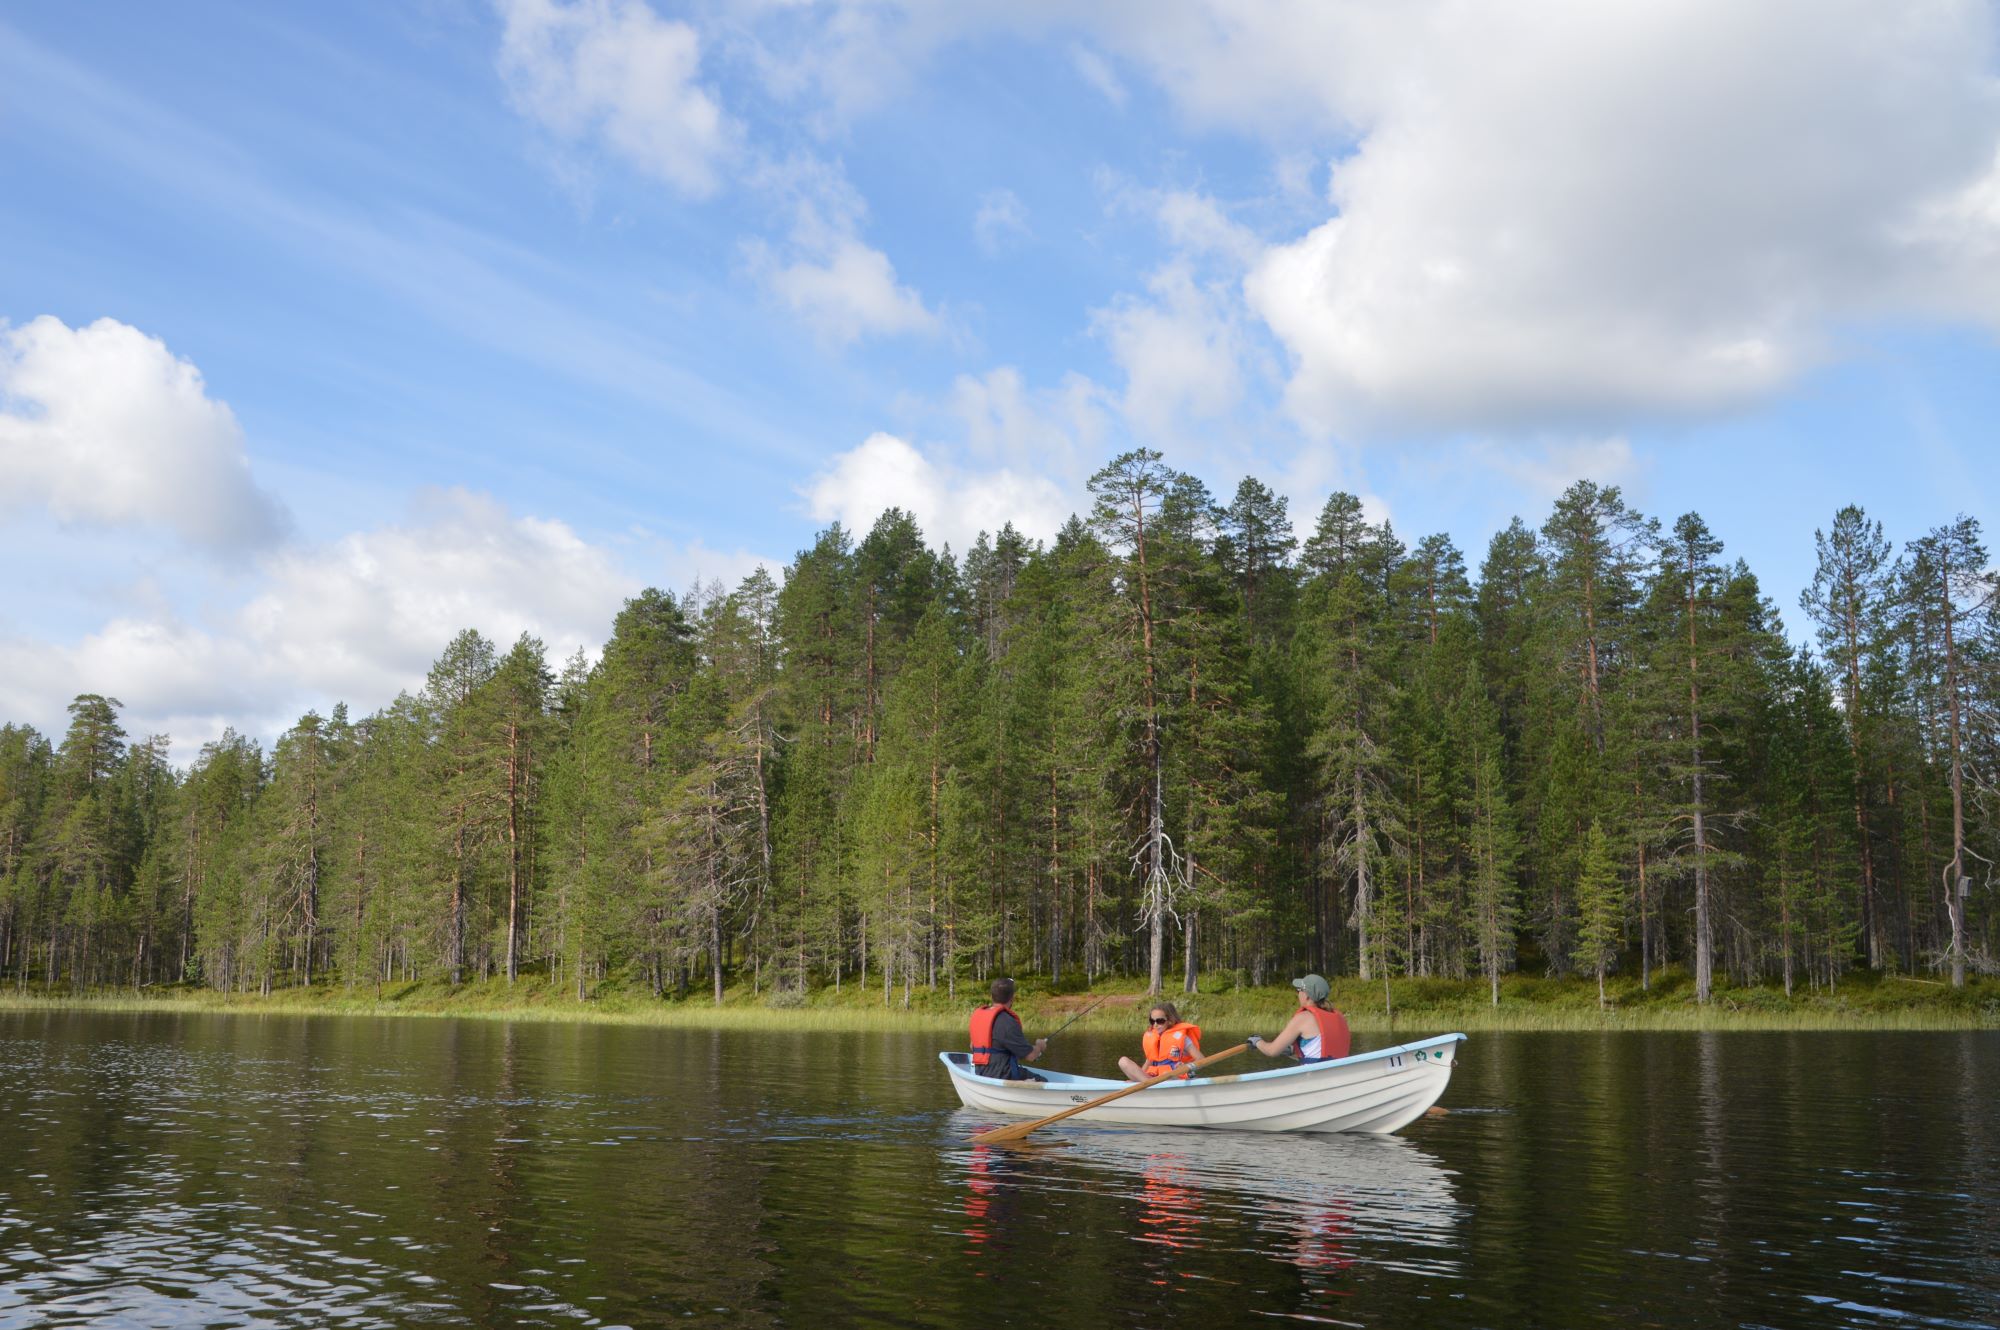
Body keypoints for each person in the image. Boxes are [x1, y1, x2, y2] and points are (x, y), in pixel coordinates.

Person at [1248, 974, 1351, 1064]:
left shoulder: (1303, 1018)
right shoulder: (1336, 1017)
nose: (1298, 994)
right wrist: (1292, 1051)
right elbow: (1317, 1051)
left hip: (1314, 1076)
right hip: (1335, 1072)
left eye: (1299, 990)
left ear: (1306, 995)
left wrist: (1257, 1041)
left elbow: (1272, 1051)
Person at [969, 977, 1047, 1081]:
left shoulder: (979, 1016)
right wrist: (1039, 1046)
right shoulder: (1008, 1022)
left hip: (980, 1072)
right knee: (1043, 1080)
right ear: (1012, 998)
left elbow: (972, 1046)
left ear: (992, 996)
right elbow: (1031, 1056)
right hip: (1003, 1075)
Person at [1118, 1002, 1203, 1081]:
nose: (1155, 1024)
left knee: (1166, 1074)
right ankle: (1146, 1083)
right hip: (1153, 1078)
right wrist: (1138, 1076)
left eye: (1160, 1021)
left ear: (1170, 1021)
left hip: (1173, 1077)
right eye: (1152, 1021)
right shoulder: (1153, 1038)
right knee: (1123, 1061)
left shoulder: (1182, 1038)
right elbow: (1148, 1063)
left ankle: (1147, 1084)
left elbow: (1201, 1059)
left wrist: (1186, 1067)